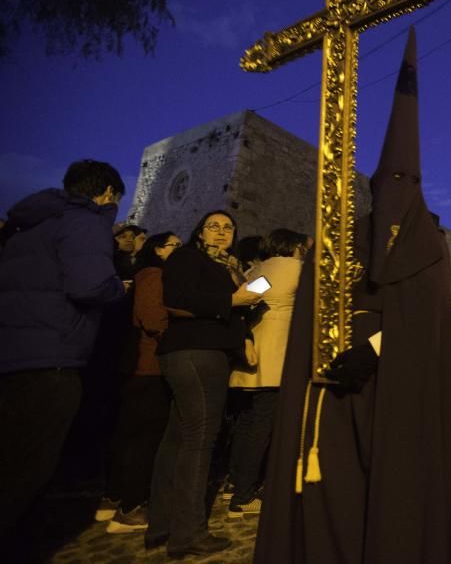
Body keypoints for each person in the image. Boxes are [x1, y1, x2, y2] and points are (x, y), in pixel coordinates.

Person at [253, 28, 451, 563]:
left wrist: (374, 349)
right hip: (330, 381)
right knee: (335, 491)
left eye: (404, 180)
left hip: (394, 388)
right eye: (384, 181)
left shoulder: (428, 247)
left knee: (394, 499)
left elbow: (425, 325)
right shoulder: (343, 235)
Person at [0, 159, 126, 542]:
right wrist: (119, 289)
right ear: (106, 194)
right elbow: (89, 285)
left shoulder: (30, 226)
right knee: (26, 469)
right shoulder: (86, 222)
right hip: (52, 356)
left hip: (13, 354)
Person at [146, 210, 262, 557]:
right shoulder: (187, 256)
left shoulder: (228, 266)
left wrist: (243, 318)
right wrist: (232, 300)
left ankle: (162, 526)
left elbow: (239, 309)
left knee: (178, 438)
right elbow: (177, 301)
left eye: (228, 227)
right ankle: (188, 534)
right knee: (199, 440)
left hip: (206, 353)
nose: (222, 231)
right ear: (199, 231)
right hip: (196, 352)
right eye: (214, 226)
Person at [104, 231, 181, 533]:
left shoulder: (146, 275)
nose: (179, 250)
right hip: (149, 367)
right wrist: (176, 339)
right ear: (159, 251)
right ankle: (131, 507)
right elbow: (152, 318)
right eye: (175, 246)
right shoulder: (153, 275)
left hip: (141, 366)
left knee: (129, 434)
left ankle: (114, 497)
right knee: (144, 438)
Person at [227, 228, 307, 519]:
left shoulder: (262, 269)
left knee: (248, 421)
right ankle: (243, 496)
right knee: (263, 424)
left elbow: (245, 298)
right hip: (278, 351)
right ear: (297, 246)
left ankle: (234, 481)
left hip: (256, 345)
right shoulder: (297, 268)